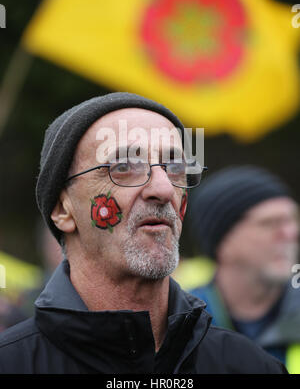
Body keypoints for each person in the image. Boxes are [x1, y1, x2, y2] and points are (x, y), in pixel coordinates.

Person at [0, 93, 287, 373]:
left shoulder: (249, 365)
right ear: (63, 210)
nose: (163, 189)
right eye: (123, 167)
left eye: (175, 167)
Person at [188, 165, 300, 372]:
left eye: (292, 221)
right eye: (270, 223)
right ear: (223, 244)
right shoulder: (179, 325)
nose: (290, 233)